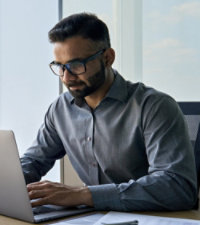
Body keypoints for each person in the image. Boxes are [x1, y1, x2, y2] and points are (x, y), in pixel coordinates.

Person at [20, 12, 197, 211]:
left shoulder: (154, 106)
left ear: (107, 58)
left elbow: (177, 187)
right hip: (95, 217)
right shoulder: (61, 108)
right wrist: (1, 181)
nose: (67, 77)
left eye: (76, 65)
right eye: (60, 66)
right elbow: (34, 161)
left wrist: (82, 195)